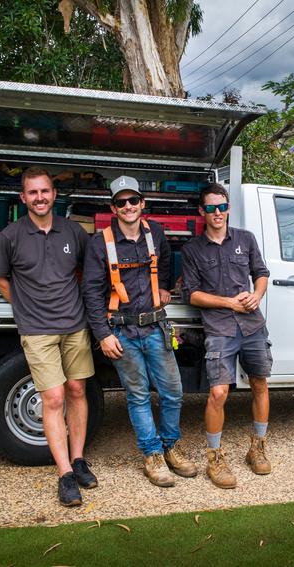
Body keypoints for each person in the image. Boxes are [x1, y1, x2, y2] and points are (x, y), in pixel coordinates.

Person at [0, 166, 97, 507]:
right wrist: (22, 305)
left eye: (45, 191)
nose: (40, 197)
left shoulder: (73, 231)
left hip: (74, 325)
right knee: (53, 397)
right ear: (23, 197)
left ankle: (78, 460)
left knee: (77, 390)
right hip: (37, 329)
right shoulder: (10, 236)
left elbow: (90, 268)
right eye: (33, 192)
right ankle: (65, 474)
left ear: (54, 194)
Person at [82, 175, 196, 487]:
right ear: (113, 208)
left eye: (133, 200)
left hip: (155, 327)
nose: (128, 206)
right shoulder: (100, 243)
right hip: (121, 332)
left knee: (173, 391)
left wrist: (163, 287)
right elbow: (91, 292)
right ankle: (152, 455)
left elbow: (166, 260)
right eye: (121, 202)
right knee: (138, 395)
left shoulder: (154, 232)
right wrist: (103, 335)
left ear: (142, 203)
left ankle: (171, 447)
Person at [182, 183, 273, 489]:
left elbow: (261, 273)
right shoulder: (192, 250)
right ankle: (215, 458)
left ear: (228, 208)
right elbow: (192, 294)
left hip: (252, 325)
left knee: (259, 384)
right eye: (210, 208)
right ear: (202, 211)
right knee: (218, 392)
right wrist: (228, 302)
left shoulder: (245, 239)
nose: (217, 213)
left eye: (221, 207)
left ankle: (257, 447)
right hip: (219, 327)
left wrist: (256, 295)